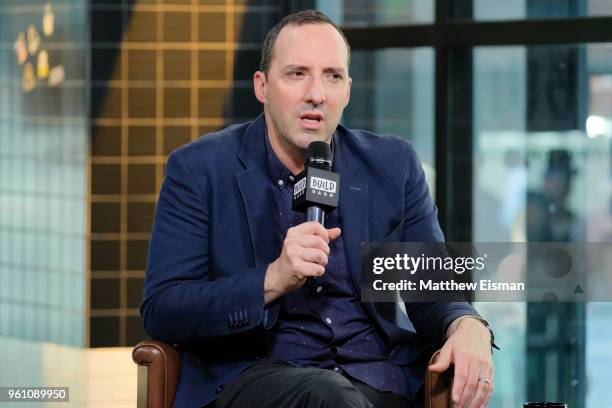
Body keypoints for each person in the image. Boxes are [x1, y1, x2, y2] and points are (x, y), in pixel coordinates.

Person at [141, 10, 494, 408]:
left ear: (347, 90)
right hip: (256, 375)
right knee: (329, 396)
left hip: (378, 377)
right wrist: (273, 279)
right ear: (262, 86)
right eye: (297, 74)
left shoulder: (393, 165)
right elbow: (164, 309)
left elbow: (430, 292)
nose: (316, 93)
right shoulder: (201, 169)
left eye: (332, 76)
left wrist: (468, 325)